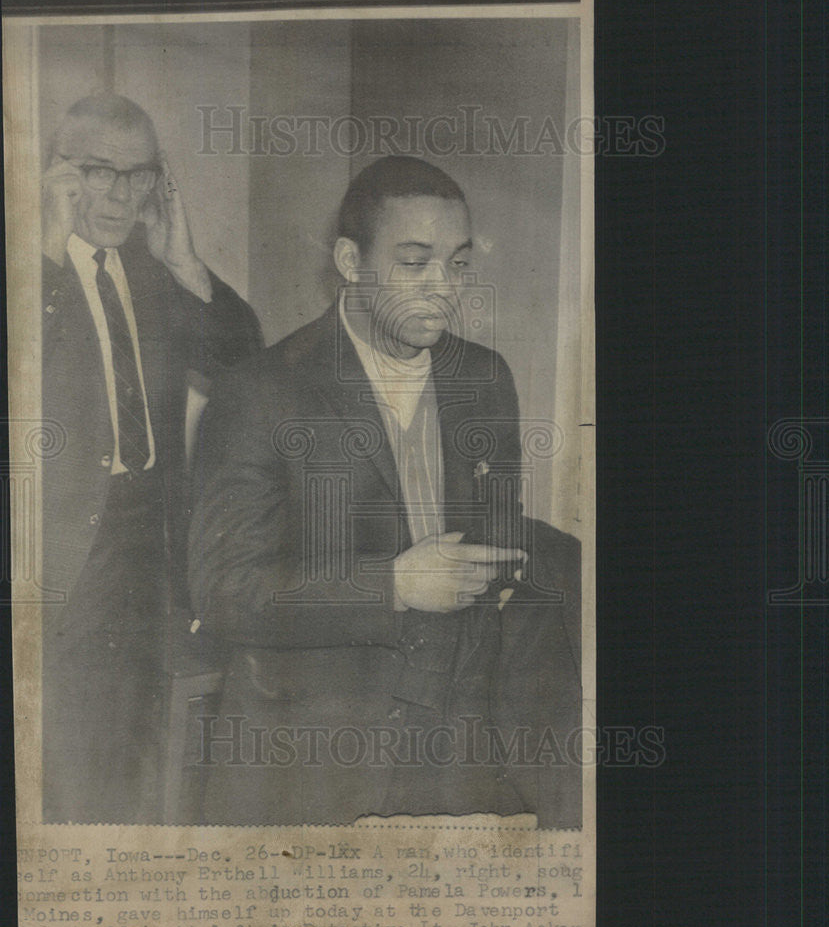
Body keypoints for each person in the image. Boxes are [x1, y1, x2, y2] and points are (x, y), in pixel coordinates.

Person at [189, 156, 580, 827]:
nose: (443, 288)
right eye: (414, 261)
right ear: (350, 260)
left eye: (457, 263)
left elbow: (499, 532)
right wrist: (392, 586)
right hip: (310, 755)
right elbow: (224, 592)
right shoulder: (259, 392)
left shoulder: (484, 377)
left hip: (459, 750)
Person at [40, 93, 262, 823]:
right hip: (61, 553)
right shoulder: (27, 268)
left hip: (154, 545)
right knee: (62, 758)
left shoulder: (152, 271)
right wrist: (38, 256)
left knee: (140, 753)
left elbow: (244, 365)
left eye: (139, 175)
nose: (121, 195)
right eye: (100, 171)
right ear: (59, 173)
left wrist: (186, 262)